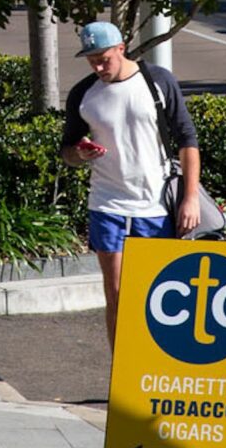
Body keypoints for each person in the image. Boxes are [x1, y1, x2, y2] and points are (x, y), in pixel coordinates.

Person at [59, 19, 202, 347]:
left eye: (104, 57)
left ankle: (157, 368)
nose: (98, 65)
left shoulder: (157, 81)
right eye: (91, 59)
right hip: (107, 204)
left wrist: (190, 198)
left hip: (155, 205)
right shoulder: (84, 93)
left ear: (121, 48)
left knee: (161, 298)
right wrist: (79, 154)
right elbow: (66, 150)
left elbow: (187, 139)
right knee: (118, 294)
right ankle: (122, 373)